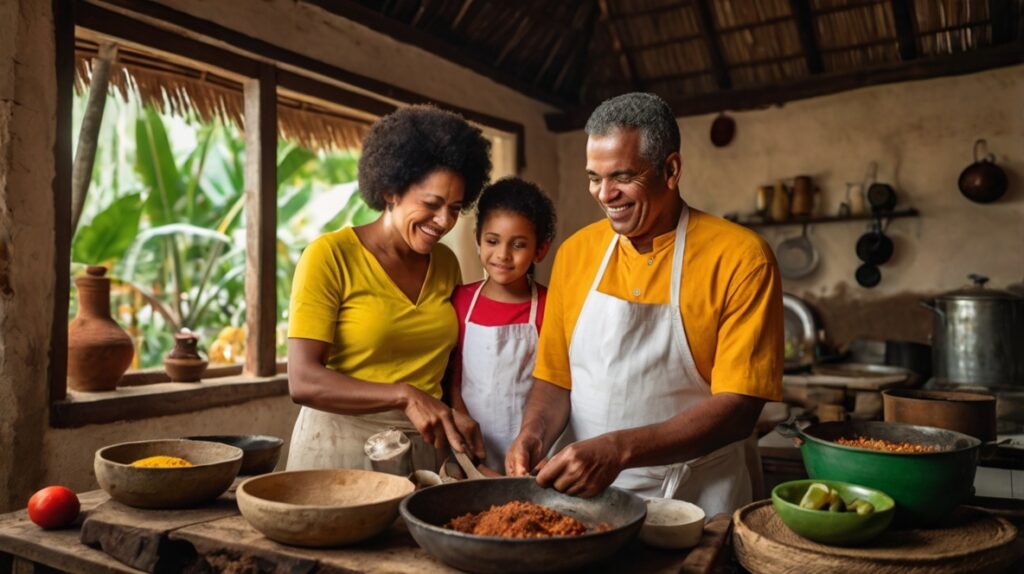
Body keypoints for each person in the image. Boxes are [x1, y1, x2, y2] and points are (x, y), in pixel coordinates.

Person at [506, 93, 783, 518]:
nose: (604, 194)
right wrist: (533, 433)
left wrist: (619, 450)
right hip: (583, 498)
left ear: (670, 170)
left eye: (621, 176)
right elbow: (555, 379)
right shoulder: (577, 253)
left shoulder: (741, 257)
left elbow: (739, 409)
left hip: (696, 499)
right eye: (594, 177)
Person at [285, 104, 491, 472]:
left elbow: (447, 363)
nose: (444, 221)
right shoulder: (330, 257)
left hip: (427, 451)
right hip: (338, 452)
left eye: (456, 208)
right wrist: (403, 396)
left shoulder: (445, 264)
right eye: (431, 204)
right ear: (391, 190)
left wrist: (456, 411)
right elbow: (302, 380)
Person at [450, 178, 556, 473]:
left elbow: (557, 386)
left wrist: (540, 448)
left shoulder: (551, 305)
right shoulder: (460, 300)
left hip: (532, 456)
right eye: (492, 241)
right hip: (471, 453)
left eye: (518, 245)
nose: (502, 255)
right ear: (477, 239)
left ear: (540, 250)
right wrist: (465, 439)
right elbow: (454, 378)